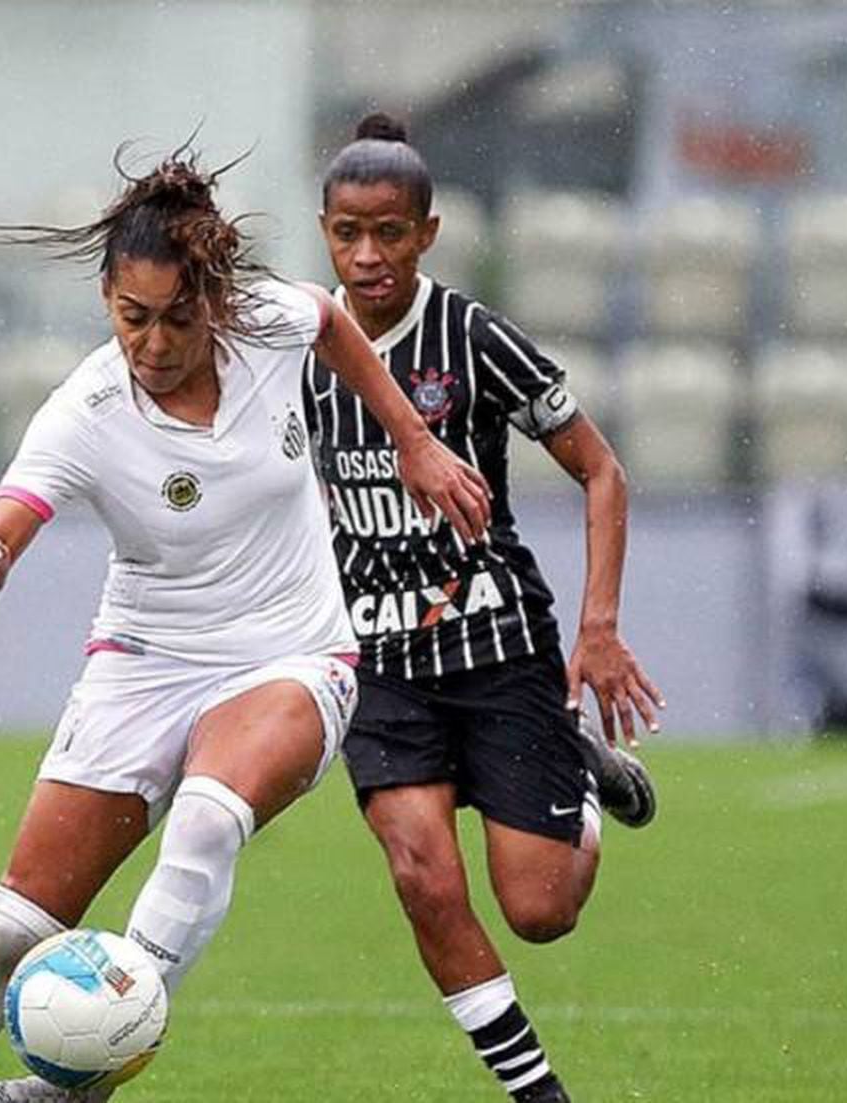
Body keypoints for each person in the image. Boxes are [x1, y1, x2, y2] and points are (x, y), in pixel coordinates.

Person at [0, 150, 494, 1103]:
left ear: (214, 302)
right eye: (133, 316)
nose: (155, 340)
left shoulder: (265, 323)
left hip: (292, 655)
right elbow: (13, 517)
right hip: (142, 666)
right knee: (6, 936)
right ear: (107, 297)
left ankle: (71, 1087)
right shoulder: (85, 410)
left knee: (209, 821)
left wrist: (413, 441)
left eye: (179, 316)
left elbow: (334, 323)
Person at [306, 112, 665, 1103]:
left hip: (496, 642)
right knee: (421, 871)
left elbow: (600, 471)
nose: (367, 254)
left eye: (388, 231)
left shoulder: (472, 338)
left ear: (426, 231)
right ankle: (537, 1093)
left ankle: (581, 778)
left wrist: (595, 628)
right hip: (375, 661)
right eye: (346, 232)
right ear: (324, 233)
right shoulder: (297, 347)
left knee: (539, 909)